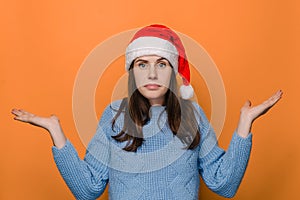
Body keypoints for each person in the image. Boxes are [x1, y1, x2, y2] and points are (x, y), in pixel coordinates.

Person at [11, 24, 282, 200]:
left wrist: (244, 125)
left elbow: (224, 184)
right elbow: (87, 189)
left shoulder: (193, 116)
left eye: (162, 64)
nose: (152, 73)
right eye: (142, 64)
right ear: (132, 72)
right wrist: (55, 131)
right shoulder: (114, 116)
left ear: (173, 71)